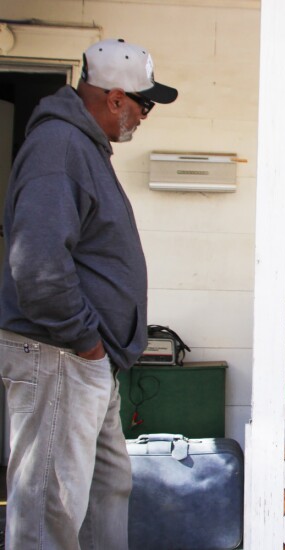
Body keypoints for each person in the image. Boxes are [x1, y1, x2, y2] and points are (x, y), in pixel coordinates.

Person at [0, 38, 177, 548]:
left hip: (85, 359)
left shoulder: (83, 147)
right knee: (48, 504)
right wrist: (85, 340)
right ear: (115, 97)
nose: (146, 116)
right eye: (144, 104)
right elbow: (37, 262)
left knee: (106, 487)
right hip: (59, 352)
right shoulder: (59, 146)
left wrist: (97, 351)